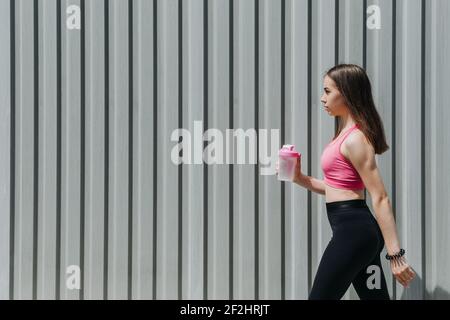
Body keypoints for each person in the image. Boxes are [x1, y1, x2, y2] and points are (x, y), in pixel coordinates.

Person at [276, 64, 415, 300]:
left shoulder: (356, 140)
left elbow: (380, 197)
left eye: (328, 91)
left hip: (354, 233)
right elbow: (338, 190)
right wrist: (300, 178)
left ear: (347, 92)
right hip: (358, 232)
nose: (322, 98)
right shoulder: (344, 135)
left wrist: (396, 255)